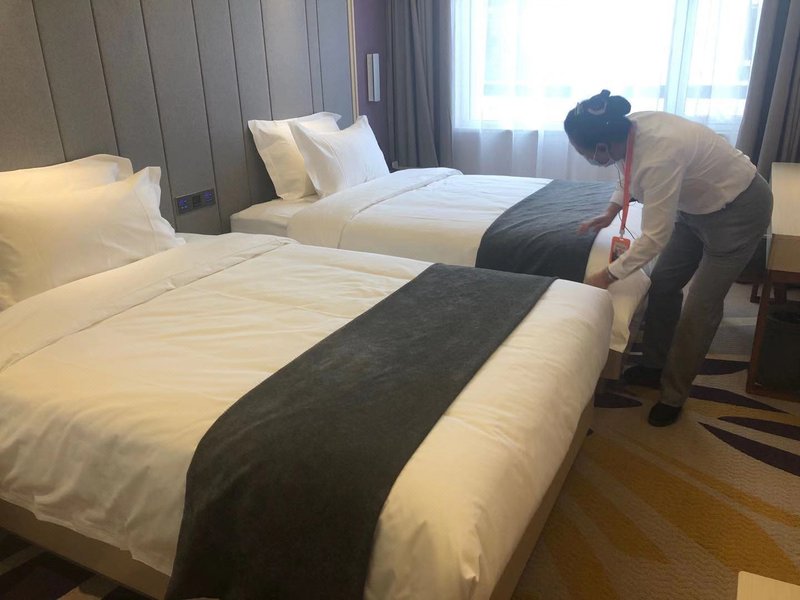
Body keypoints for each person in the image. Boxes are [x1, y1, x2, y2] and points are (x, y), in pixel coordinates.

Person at [564, 89, 773, 427]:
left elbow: (654, 238)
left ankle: (673, 394)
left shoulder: (659, 153)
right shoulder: (624, 132)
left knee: (699, 309)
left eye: (583, 152)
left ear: (601, 147)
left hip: (739, 211)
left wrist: (606, 276)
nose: (585, 157)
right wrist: (610, 212)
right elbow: (628, 173)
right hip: (693, 208)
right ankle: (653, 365)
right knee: (662, 284)